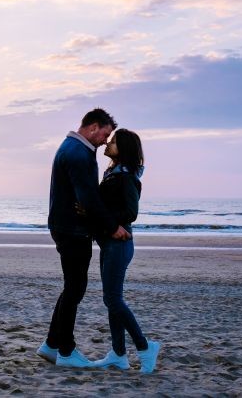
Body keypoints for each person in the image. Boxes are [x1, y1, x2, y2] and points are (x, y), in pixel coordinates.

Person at [37, 108, 128, 368]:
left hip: (66, 226)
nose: (106, 141)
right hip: (72, 229)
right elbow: (88, 197)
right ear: (93, 127)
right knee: (74, 289)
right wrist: (112, 227)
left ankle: (51, 346)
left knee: (72, 288)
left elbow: (85, 196)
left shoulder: (71, 148)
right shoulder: (79, 153)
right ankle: (66, 351)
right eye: (105, 134)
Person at [91, 128, 161, 373]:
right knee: (111, 300)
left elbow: (131, 213)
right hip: (109, 243)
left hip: (119, 243)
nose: (108, 143)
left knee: (113, 299)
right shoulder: (113, 172)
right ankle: (118, 354)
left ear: (124, 148)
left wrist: (106, 220)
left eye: (113, 141)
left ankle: (144, 347)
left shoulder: (126, 176)